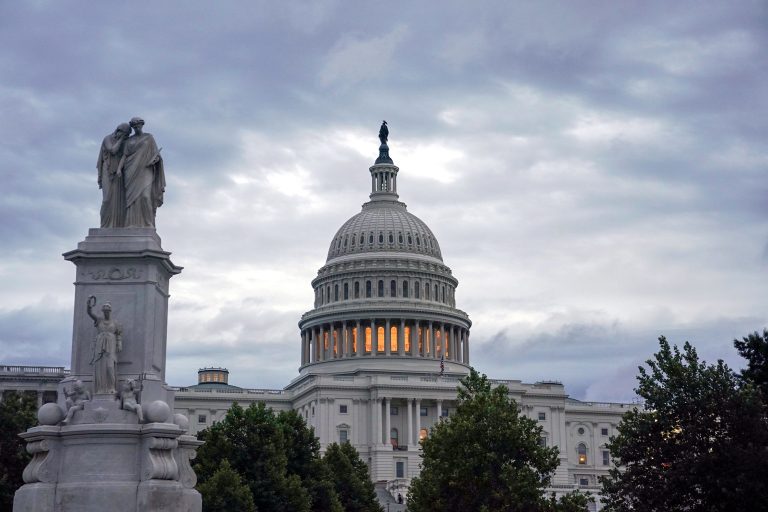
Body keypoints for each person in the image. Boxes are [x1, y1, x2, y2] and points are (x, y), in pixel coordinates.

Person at [117, 117, 165, 227]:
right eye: (134, 126)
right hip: (130, 170)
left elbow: (156, 155)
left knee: (145, 196)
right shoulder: (129, 141)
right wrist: (119, 169)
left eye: (138, 126)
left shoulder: (149, 138)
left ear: (142, 125)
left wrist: (155, 160)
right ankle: (131, 224)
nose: (136, 128)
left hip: (146, 169)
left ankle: (149, 224)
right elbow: (124, 156)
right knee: (132, 200)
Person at [96, 123, 131, 228]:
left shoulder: (125, 142)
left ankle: (116, 225)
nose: (126, 137)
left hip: (119, 174)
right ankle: (105, 225)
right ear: (119, 131)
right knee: (107, 199)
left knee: (118, 201)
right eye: (125, 134)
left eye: (127, 135)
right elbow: (113, 150)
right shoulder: (107, 139)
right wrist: (121, 140)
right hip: (107, 171)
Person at [86, 295, 122, 394]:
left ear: (110, 311)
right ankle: (100, 389)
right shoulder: (99, 320)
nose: (106, 312)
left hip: (111, 345)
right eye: (104, 311)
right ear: (102, 311)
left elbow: (119, 334)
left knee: (110, 367)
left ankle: (111, 387)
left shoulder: (115, 323)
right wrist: (89, 305)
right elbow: (89, 313)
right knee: (100, 367)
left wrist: (119, 343)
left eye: (108, 310)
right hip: (100, 345)